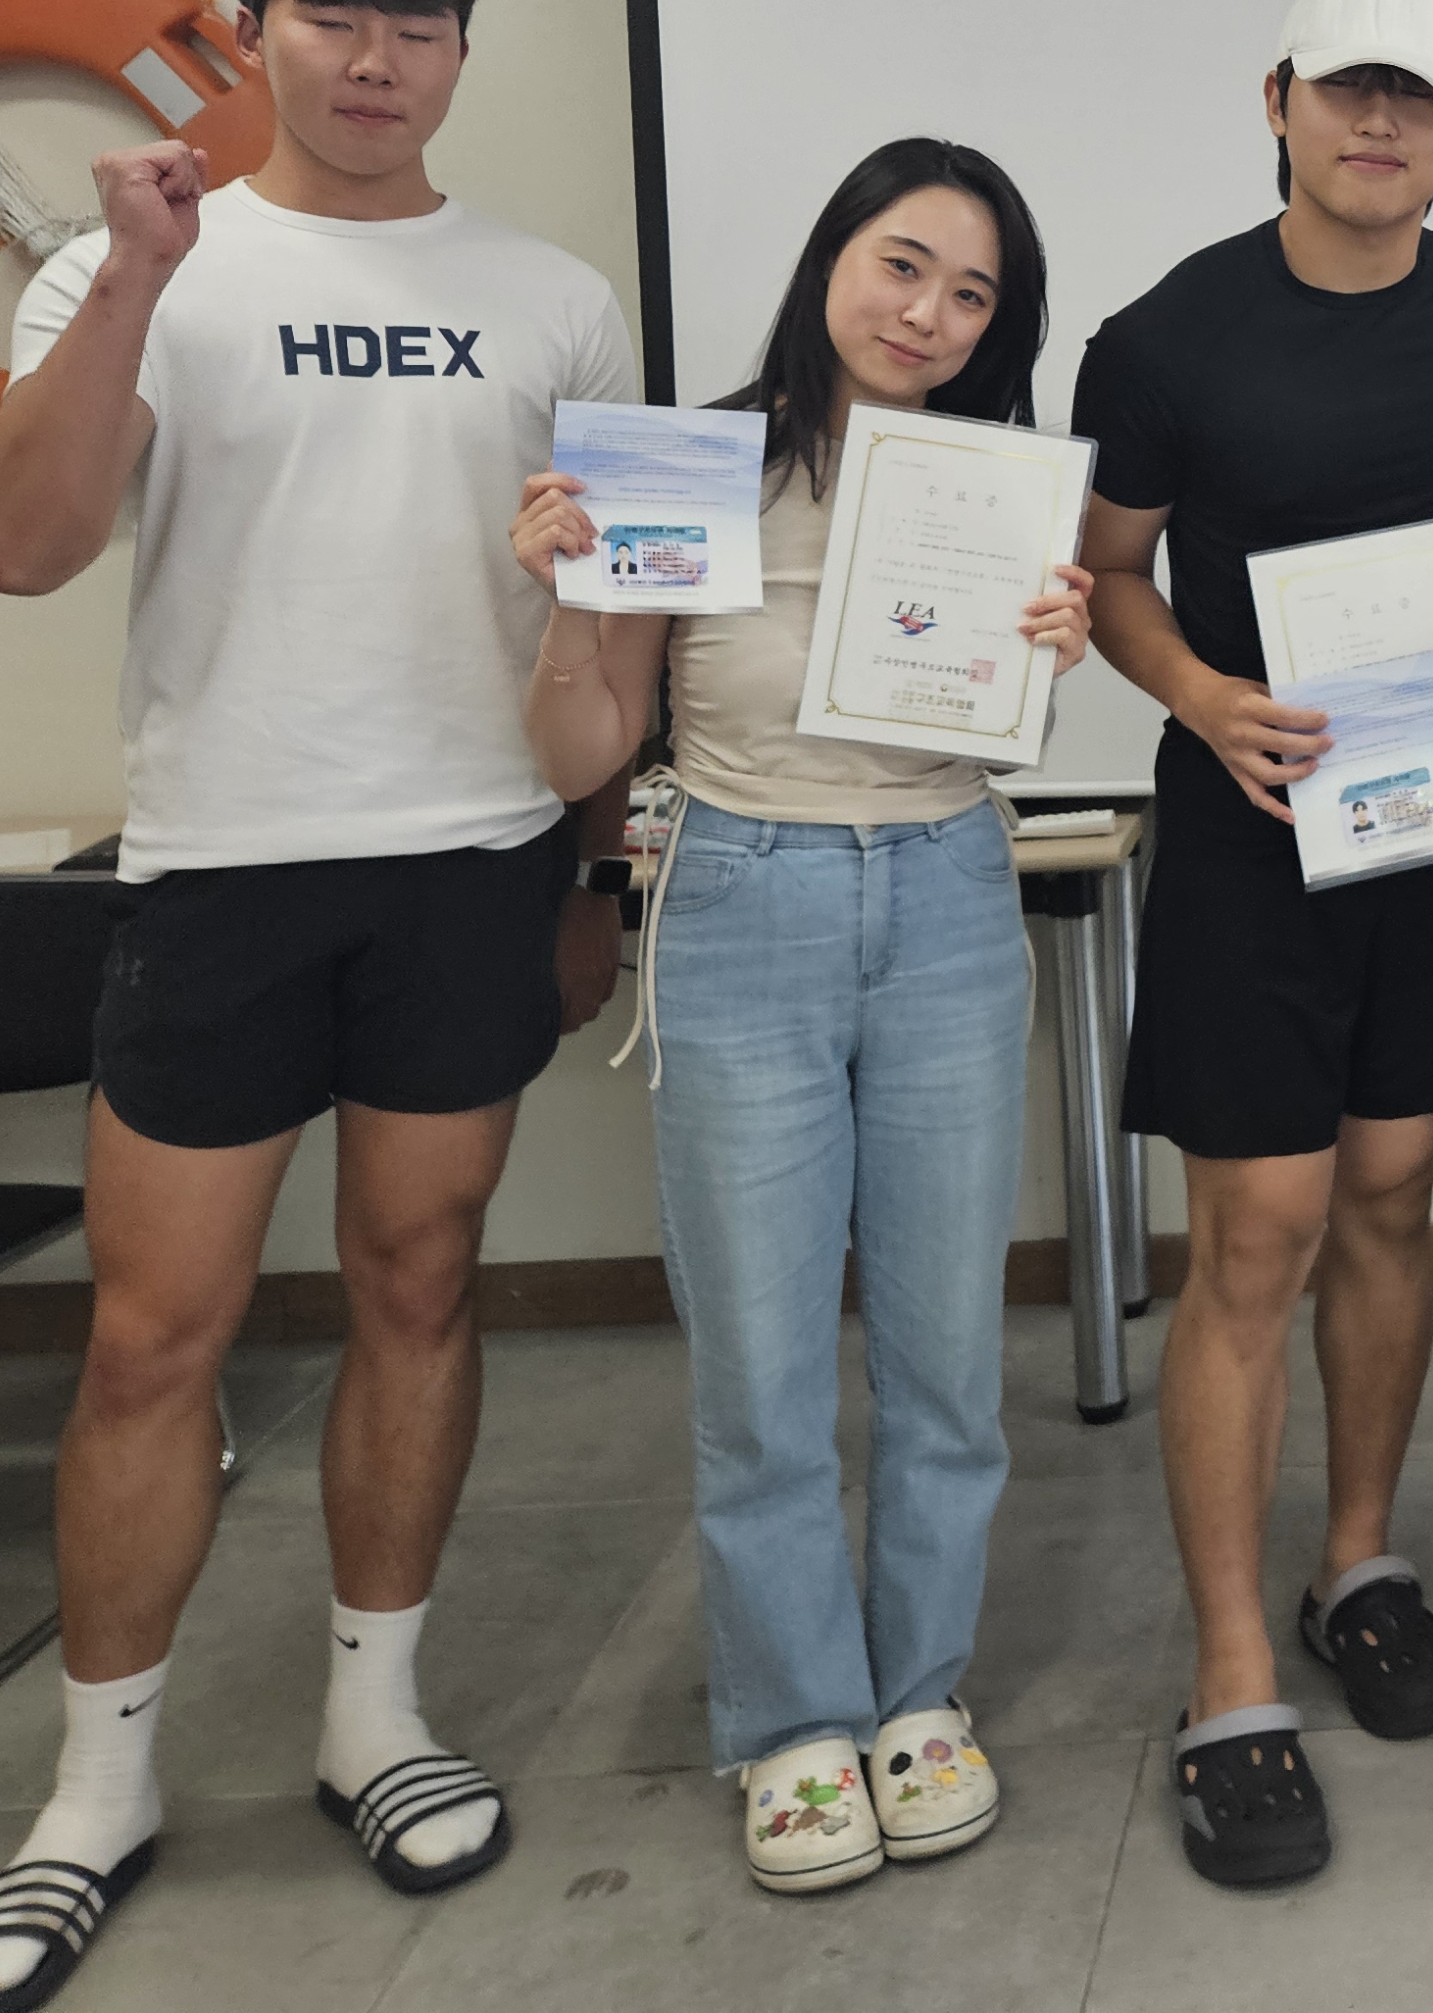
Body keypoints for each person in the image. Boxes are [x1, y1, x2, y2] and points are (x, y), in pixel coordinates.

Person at [0, 0, 636, 2010]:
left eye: (416, 27)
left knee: (420, 1286)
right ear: (256, 32)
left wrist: (592, 869)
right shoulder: (136, 265)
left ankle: (373, 1717)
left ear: (459, 52)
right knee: (154, 1340)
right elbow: (15, 546)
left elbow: (609, 609)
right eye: (331, 18)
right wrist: (139, 283)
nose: (373, 60)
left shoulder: (553, 298)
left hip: (473, 860)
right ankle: (94, 1789)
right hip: (224, 864)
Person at [505, 138, 1092, 1895]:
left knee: (946, 1348)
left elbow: (994, 736)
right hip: (742, 891)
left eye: (973, 294)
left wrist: (1045, 652)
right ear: (834, 256)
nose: (929, 314)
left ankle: (919, 1698)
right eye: (903, 264)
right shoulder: (686, 468)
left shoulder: (994, 487)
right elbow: (580, 749)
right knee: (760, 1356)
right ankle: (791, 1721)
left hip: (950, 887)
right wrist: (569, 605)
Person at [1069, 0, 1433, 1889]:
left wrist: (1425, 641)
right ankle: (1229, 1671)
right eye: (1349, 89)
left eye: (1417, 99)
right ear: (1278, 98)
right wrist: (1206, 698)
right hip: (1246, 827)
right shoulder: (1165, 334)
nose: (1380, 123)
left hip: (1431, 823)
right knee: (1256, 1235)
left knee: (1388, 1195)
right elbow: (1112, 575)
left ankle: (1356, 1563)